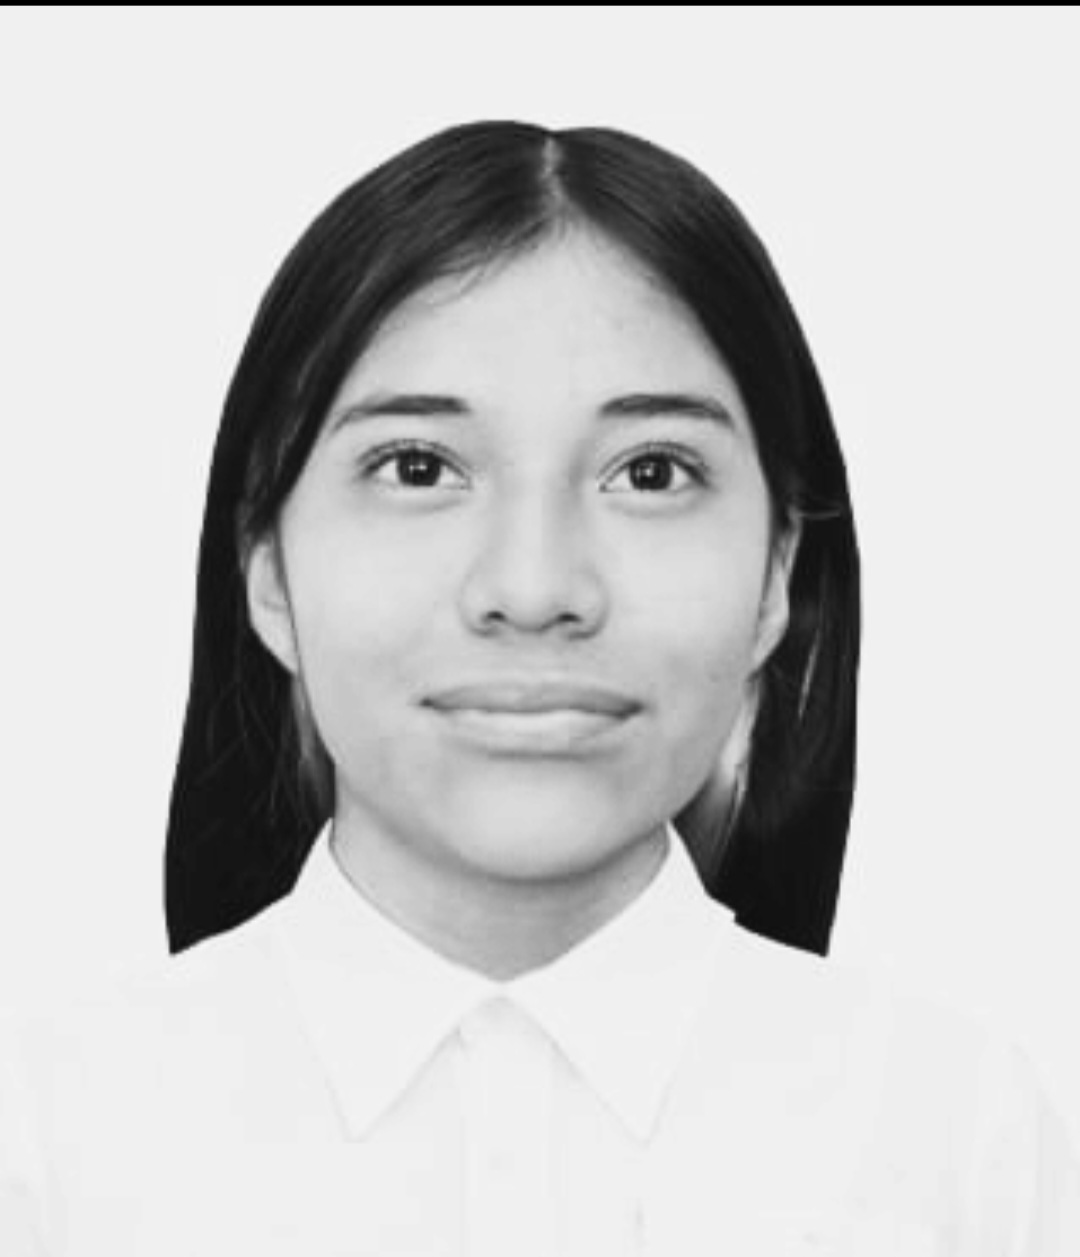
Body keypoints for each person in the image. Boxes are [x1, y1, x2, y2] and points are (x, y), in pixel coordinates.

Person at [1, 119, 1077, 1256]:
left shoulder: (963, 1142)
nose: (532, 588)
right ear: (267, 566)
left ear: (776, 574)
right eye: (418, 467)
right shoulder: (49, 1143)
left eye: (651, 472)